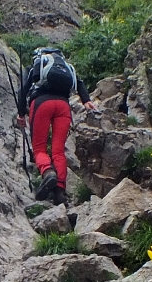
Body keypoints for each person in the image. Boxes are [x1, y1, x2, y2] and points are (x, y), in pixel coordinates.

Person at [17, 47, 97, 206]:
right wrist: (86, 101)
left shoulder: (37, 65)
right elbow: (79, 83)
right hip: (63, 105)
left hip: (41, 103)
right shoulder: (66, 67)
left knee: (39, 148)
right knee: (58, 150)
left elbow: (23, 89)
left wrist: (21, 113)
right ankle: (60, 193)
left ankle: (47, 172)